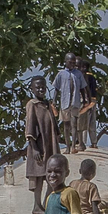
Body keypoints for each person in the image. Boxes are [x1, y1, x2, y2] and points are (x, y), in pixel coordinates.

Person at [24, 76, 61, 206]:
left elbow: (54, 125)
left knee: (51, 174)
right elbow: (30, 127)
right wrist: (34, 148)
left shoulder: (47, 104)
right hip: (39, 146)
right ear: (32, 89)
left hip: (50, 144)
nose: (41, 90)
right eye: (38, 87)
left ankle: (46, 203)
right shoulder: (32, 105)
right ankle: (37, 205)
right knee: (39, 176)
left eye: (43, 87)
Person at [56, 54, 94, 152]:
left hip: (77, 102)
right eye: (71, 63)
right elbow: (57, 88)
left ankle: (76, 145)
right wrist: (53, 101)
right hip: (66, 102)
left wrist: (87, 101)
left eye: (75, 64)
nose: (73, 65)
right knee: (67, 125)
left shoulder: (80, 75)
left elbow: (84, 88)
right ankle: (69, 146)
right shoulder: (62, 74)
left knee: (77, 124)